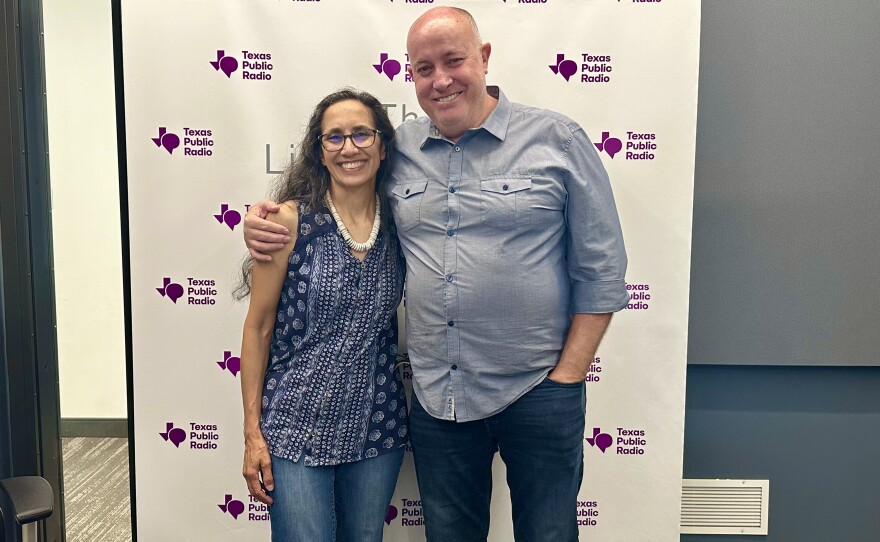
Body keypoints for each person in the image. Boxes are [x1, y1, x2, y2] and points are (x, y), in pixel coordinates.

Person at [244, 7, 628, 542]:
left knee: (549, 534)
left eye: (454, 61)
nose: (441, 80)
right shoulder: (398, 151)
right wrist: (264, 222)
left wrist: (568, 375)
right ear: (412, 77)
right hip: (438, 399)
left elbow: (602, 269)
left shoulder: (557, 140)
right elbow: (341, 192)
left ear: (485, 57)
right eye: (424, 68)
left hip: (538, 389)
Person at [236, 88, 408, 542]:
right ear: (319, 152)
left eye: (361, 134)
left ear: (383, 144)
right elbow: (257, 329)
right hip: (294, 427)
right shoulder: (288, 222)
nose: (349, 147)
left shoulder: (403, 222)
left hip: (377, 424)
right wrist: (253, 432)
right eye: (334, 138)